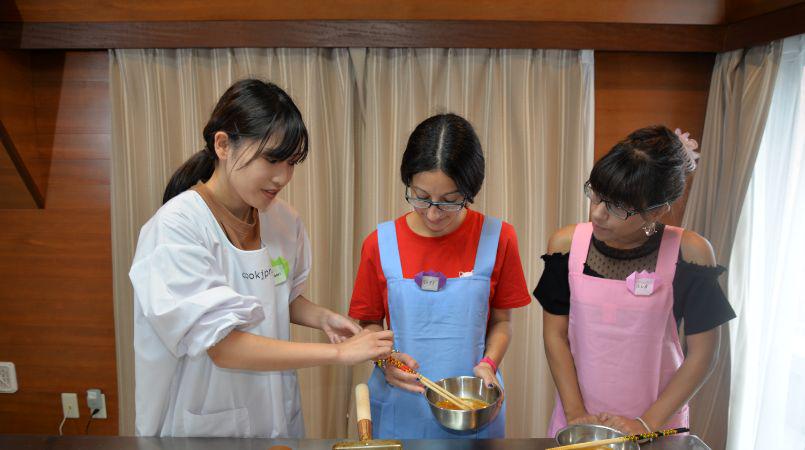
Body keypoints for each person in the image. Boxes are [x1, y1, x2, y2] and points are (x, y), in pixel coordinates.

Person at [130, 79, 394, 438]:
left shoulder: (282, 220)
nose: (283, 176)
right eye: (272, 159)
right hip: (203, 425)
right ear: (222, 145)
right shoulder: (176, 230)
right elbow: (223, 347)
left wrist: (324, 318)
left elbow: (276, 295)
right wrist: (338, 355)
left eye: (291, 162)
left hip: (275, 417)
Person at [535, 125, 736, 437]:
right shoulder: (566, 245)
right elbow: (555, 337)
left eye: (617, 207)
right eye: (597, 195)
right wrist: (576, 415)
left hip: (658, 426)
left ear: (656, 212)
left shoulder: (690, 253)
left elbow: (703, 354)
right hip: (579, 421)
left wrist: (645, 424)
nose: (598, 214)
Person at [349, 113, 531, 439]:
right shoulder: (380, 243)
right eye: (420, 196)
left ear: (470, 190)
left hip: (472, 406)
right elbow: (369, 325)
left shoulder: (498, 238)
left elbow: (502, 321)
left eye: (450, 201)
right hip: (399, 404)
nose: (433, 213)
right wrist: (385, 361)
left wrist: (489, 363)